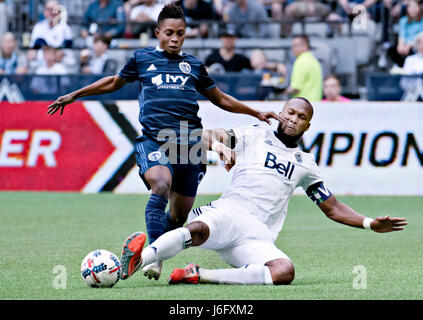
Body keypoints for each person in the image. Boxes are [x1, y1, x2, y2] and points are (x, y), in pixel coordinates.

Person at [47, 3, 282, 281]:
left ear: (185, 35)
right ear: (157, 32)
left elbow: (219, 98)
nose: (174, 38)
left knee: (179, 217)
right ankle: (152, 259)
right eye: (169, 33)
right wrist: (75, 94)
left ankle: (156, 244)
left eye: (180, 34)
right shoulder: (141, 59)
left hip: (190, 145)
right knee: (160, 184)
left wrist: (255, 112)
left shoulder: (193, 65)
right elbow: (113, 82)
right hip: (155, 140)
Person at [118, 97, 407, 284]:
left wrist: (370, 224)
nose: (294, 118)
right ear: (281, 113)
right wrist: (218, 145)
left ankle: (199, 275)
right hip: (228, 213)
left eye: (301, 116)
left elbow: (331, 207)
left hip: (257, 235)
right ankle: (139, 260)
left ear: (308, 124)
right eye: (290, 112)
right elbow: (200, 135)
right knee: (195, 229)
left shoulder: (306, 164)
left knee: (284, 271)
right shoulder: (253, 134)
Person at [284, 34, 322, 102]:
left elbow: (295, 88)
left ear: (305, 45)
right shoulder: (313, 60)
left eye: (295, 46)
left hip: (303, 105)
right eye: (292, 46)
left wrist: (279, 91)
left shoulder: (301, 61)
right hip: (314, 103)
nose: (292, 49)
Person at [387, 0, 423, 67]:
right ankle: (400, 67)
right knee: (392, 50)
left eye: (415, 7)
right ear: (407, 9)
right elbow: (402, 35)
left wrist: (409, 45)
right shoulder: (403, 20)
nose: (413, 9)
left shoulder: (422, 21)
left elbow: (420, 36)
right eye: (411, 7)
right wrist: (400, 46)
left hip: (416, 44)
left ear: (419, 8)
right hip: (405, 44)